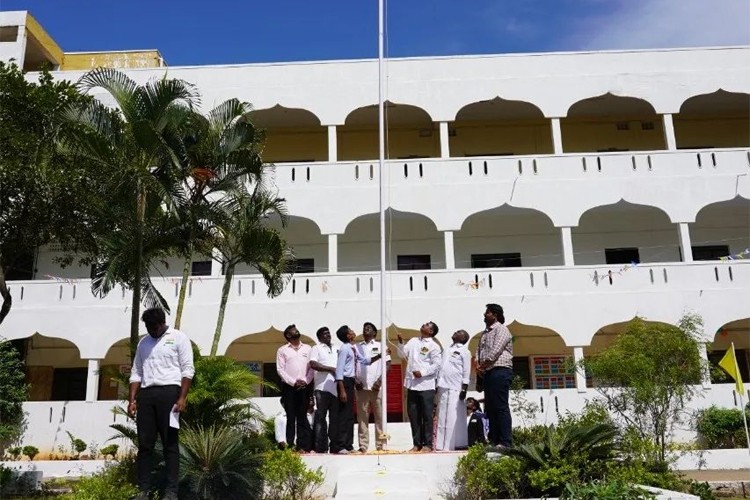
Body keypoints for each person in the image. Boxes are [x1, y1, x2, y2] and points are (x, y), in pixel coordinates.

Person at [128, 307, 194, 500]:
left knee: (170, 444)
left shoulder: (179, 338)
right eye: (147, 327)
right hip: (146, 395)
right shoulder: (143, 343)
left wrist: (182, 398)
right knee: (145, 445)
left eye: (153, 327)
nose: (150, 330)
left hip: (170, 394)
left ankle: (171, 491)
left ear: (162, 323)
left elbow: (187, 369)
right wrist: (132, 400)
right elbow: (136, 372)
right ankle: (144, 490)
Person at [392, 322, 442, 453]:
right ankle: (417, 444)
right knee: (413, 415)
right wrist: (401, 343)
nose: (423, 325)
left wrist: (423, 372)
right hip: (412, 384)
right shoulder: (413, 341)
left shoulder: (434, 346)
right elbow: (402, 355)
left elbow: (437, 365)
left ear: (431, 331)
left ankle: (428, 444)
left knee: (426, 416)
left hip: (426, 385)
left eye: (427, 325)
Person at [334, 325, 383, 454]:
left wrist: (380, 356)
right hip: (345, 381)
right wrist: (342, 389)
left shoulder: (353, 348)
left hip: (350, 382)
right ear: (347, 335)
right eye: (350, 330)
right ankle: (341, 445)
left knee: (350, 415)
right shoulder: (344, 349)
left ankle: (349, 445)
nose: (354, 331)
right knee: (344, 414)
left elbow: (365, 361)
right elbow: (339, 370)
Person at [476, 303, 513, 449]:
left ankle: (505, 442)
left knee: (500, 406)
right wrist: (479, 366)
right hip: (488, 372)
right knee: (490, 407)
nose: (485, 315)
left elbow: (495, 350)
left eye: (487, 312)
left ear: (495, 315)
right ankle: (494, 439)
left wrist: (483, 364)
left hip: (500, 370)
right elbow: (479, 352)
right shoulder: (485, 333)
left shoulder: (502, 329)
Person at [276, 324, 314, 452]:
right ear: (288, 335)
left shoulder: (308, 349)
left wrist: (306, 381)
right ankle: (290, 445)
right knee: (291, 417)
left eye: (297, 329)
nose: (297, 331)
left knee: (302, 416)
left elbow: (311, 368)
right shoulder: (282, 350)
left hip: (304, 387)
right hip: (289, 388)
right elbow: (280, 370)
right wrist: (293, 382)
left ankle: (302, 446)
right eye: (294, 330)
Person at [355, 321, 391, 452]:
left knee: (380, 418)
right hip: (361, 388)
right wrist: (355, 379)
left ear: (375, 332)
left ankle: (381, 445)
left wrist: (380, 381)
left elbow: (388, 364)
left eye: (369, 328)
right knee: (362, 418)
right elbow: (352, 365)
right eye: (364, 328)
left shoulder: (381, 345)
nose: (365, 330)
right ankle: (363, 446)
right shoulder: (356, 347)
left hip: (377, 388)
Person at [435, 329, 471, 451]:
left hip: (455, 387)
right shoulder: (447, 349)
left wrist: (464, 388)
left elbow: (466, 371)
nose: (455, 332)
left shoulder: (464, 352)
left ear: (463, 338)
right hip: (443, 385)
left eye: (459, 332)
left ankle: (453, 444)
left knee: (453, 416)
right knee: (443, 416)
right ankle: (442, 444)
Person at [309, 326, 339, 453]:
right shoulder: (316, 348)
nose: (328, 335)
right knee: (320, 418)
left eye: (329, 333)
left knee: (335, 418)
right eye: (325, 334)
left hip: (337, 388)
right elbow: (313, 364)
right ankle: (321, 447)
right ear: (319, 337)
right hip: (321, 389)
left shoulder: (337, 347)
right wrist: (331, 369)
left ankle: (335, 446)